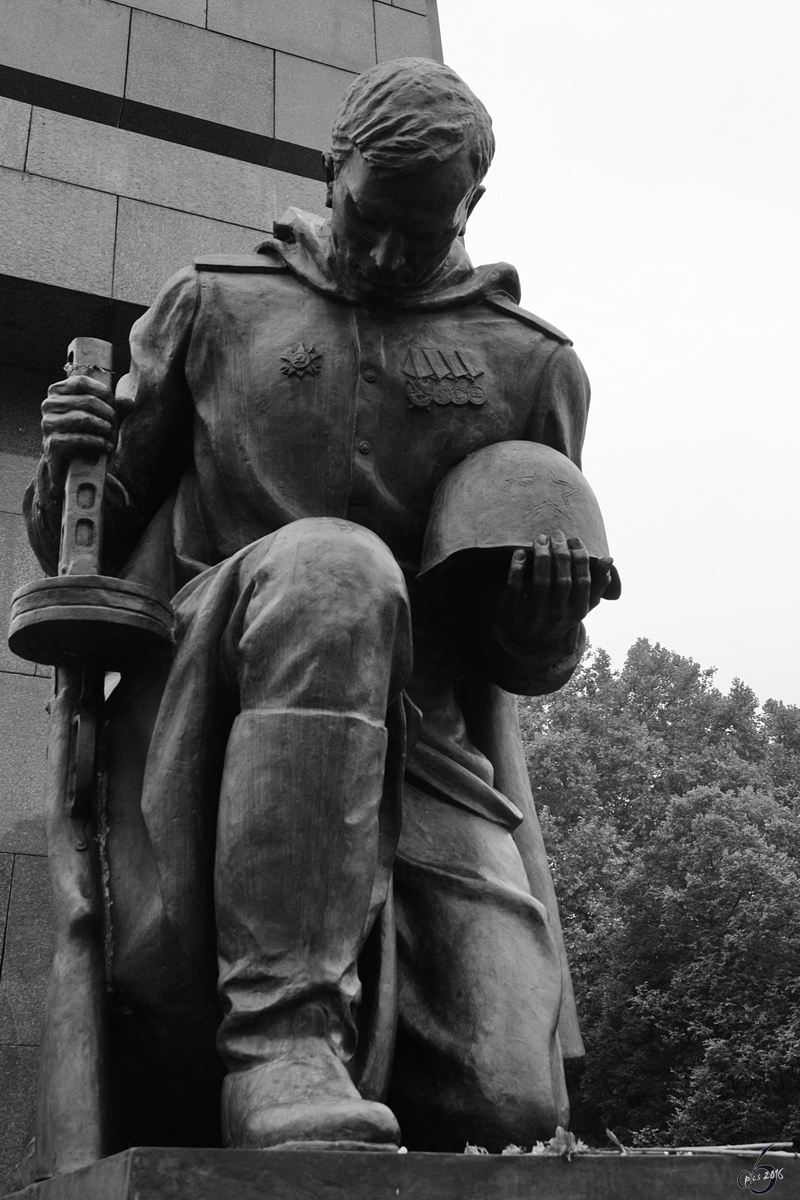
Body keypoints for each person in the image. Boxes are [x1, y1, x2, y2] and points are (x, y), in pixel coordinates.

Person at [26, 58, 613, 1153]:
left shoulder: (529, 367)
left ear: (471, 209)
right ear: (329, 167)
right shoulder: (216, 305)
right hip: (215, 681)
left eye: (422, 231)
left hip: (417, 744)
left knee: (503, 1101)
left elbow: (523, 658)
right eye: (368, 218)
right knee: (334, 568)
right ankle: (279, 1043)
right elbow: (87, 545)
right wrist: (70, 468)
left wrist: (540, 617)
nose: (388, 253)